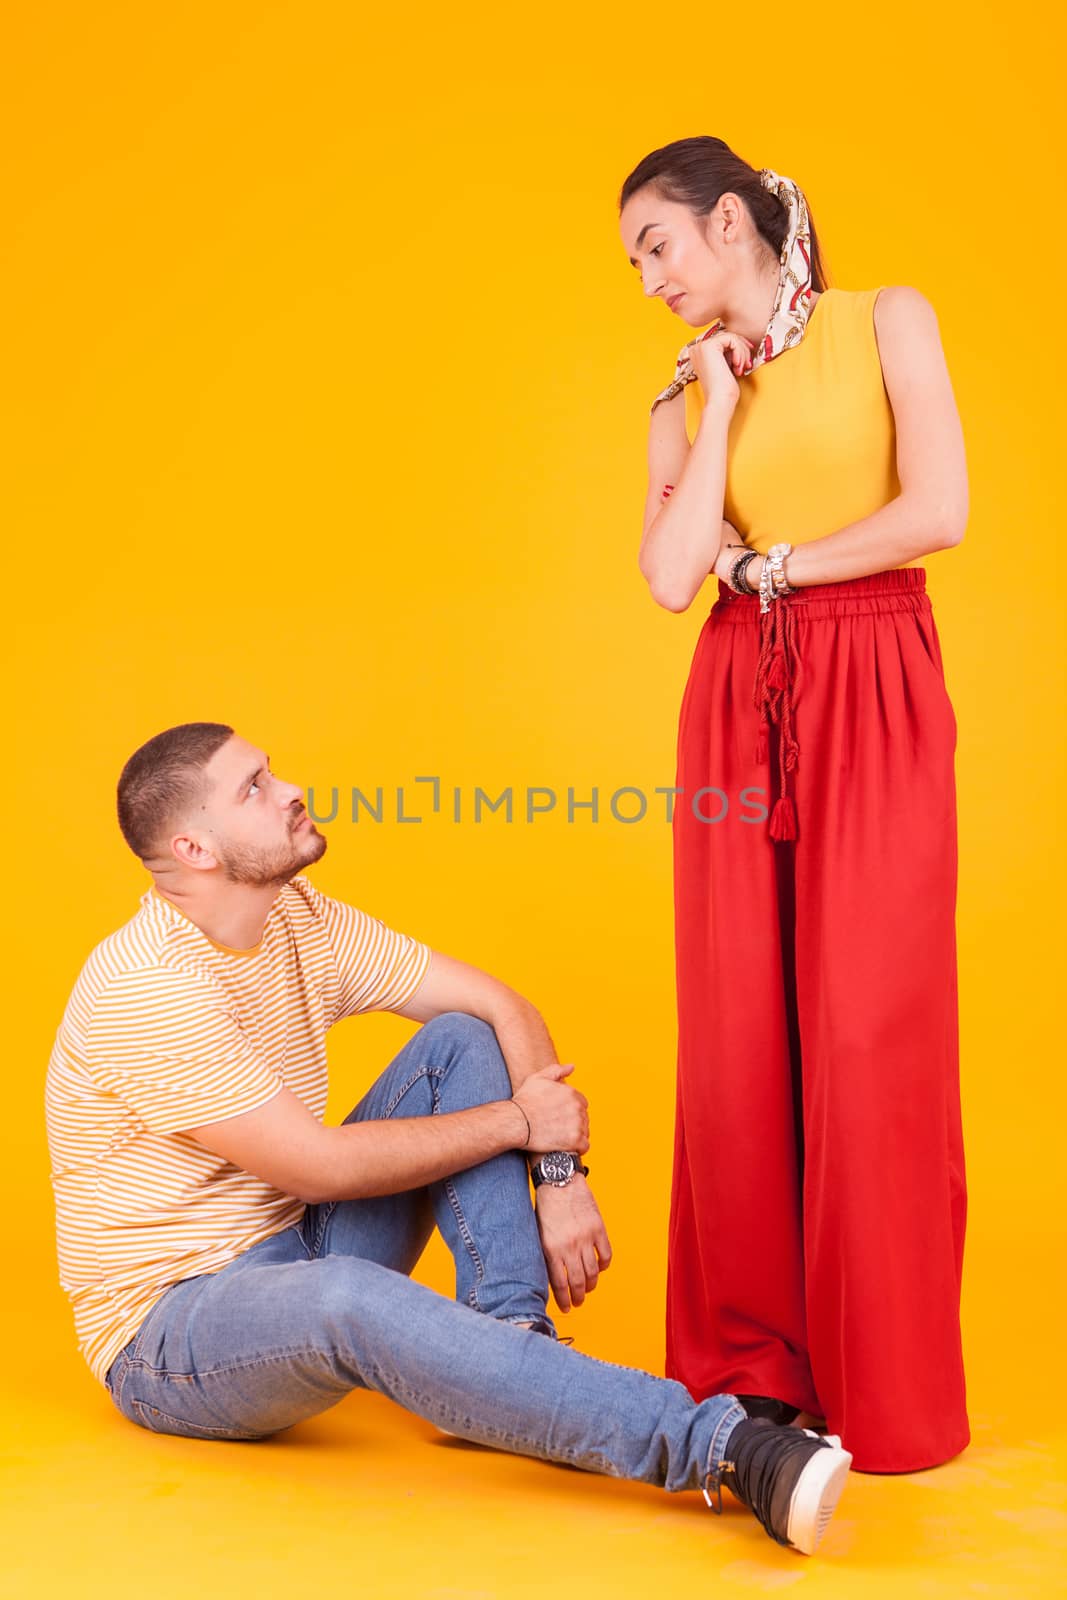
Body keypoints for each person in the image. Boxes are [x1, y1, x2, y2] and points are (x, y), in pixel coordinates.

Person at [45, 721, 853, 1555]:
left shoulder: (298, 918)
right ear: (195, 848)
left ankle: (507, 1355)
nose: (289, 791)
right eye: (253, 786)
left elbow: (502, 1008)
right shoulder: (146, 989)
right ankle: (722, 1448)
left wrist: (559, 1174)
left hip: (290, 1242)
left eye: (273, 771)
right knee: (346, 1301)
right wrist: (517, 1122)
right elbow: (317, 1168)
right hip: (174, 1333)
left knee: (461, 1041)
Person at [618, 136, 969, 1473]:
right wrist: (709, 411)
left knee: (866, 1026)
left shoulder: (889, 321)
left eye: (655, 244)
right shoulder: (674, 398)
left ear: (724, 220)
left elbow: (934, 508)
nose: (645, 279)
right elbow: (665, 578)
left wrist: (774, 563)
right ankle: (752, 1379)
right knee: (735, 1028)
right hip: (732, 698)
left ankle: (880, 1382)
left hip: (873, 676)